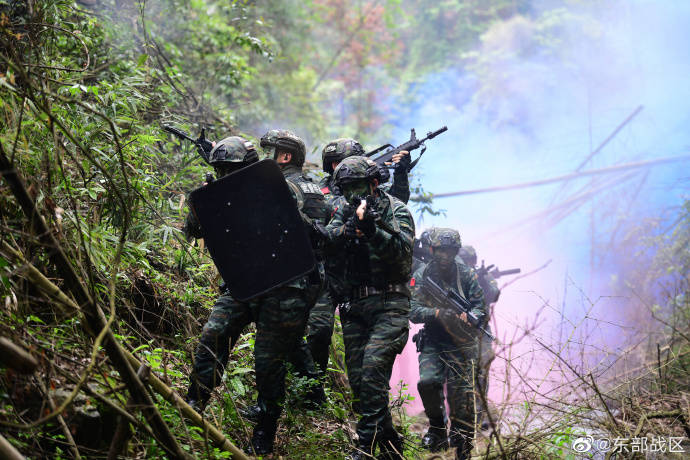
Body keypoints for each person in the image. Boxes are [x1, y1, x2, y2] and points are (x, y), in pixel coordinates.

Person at [183, 135, 320, 455]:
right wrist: (206, 199)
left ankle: (265, 432)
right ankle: (194, 403)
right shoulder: (218, 189)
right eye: (219, 170)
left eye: (228, 170)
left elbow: (296, 222)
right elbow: (193, 230)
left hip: (282, 285)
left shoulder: (277, 185)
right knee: (213, 336)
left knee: (268, 363)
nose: (223, 175)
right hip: (242, 282)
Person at [326, 155, 415, 460]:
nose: (351, 195)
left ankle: (364, 448)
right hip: (354, 306)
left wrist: (373, 231)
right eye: (345, 188)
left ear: (374, 184)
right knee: (360, 386)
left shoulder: (396, 210)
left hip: (391, 304)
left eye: (357, 187)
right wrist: (346, 231)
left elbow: (402, 256)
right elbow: (326, 239)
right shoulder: (343, 209)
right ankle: (391, 449)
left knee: (373, 371)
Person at [410, 228, 486, 460]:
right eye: (441, 250)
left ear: (456, 251)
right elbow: (413, 310)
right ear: (432, 250)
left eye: (450, 250)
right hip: (433, 339)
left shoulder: (466, 274)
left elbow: (480, 305)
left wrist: (471, 315)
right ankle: (437, 429)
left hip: (461, 343)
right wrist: (437, 313)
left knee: (463, 400)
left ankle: (463, 449)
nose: (445, 255)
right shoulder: (423, 275)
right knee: (428, 382)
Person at [458, 245, 499, 430]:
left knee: (482, 371)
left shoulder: (483, 276)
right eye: (464, 260)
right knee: (456, 373)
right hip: (457, 331)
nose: (468, 263)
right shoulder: (454, 277)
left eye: (469, 260)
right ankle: (459, 415)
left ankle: (480, 414)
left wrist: (482, 280)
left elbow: (494, 295)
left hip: (481, 330)